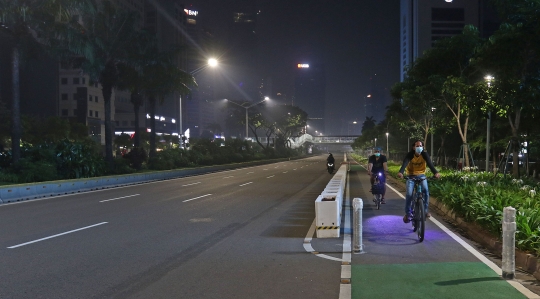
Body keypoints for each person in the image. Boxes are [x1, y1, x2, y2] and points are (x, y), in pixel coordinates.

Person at [397, 140, 441, 223]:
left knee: (426, 192)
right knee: (409, 194)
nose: (419, 147)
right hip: (411, 176)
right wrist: (401, 172)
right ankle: (407, 213)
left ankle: (425, 211)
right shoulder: (410, 155)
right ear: (414, 147)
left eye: (420, 146)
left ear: (423, 147)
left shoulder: (424, 154)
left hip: (421, 176)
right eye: (417, 146)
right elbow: (405, 163)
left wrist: (436, 173)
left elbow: (430, 164)